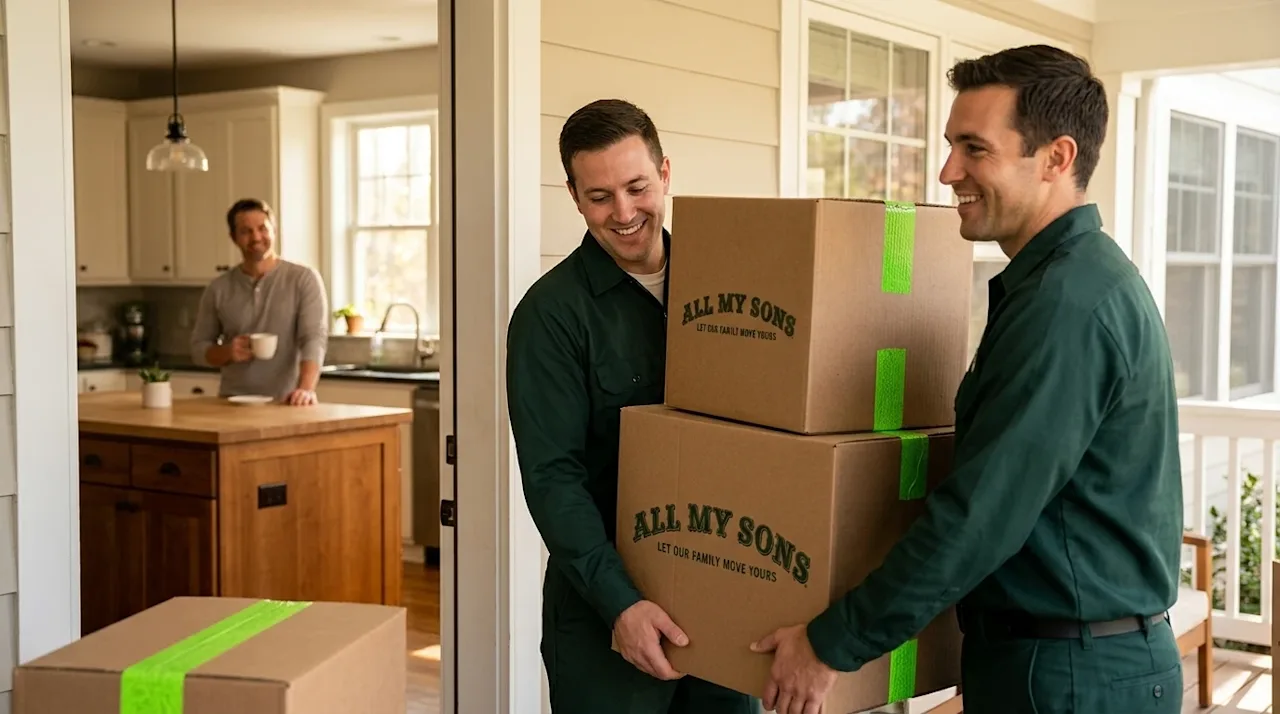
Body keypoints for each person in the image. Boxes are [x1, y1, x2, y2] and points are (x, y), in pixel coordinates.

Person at [750, 45, 1184, 714]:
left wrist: (833, 642)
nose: (949, 170)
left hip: (1072, 677)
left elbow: (980, 517)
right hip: (1057, 662)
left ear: (1056, 159)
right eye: (952, 145)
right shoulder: (1064, 284)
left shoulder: (1066, 308)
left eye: (974, 149)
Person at [506, 99, 757, 714]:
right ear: (573, 195)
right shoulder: (551, 316)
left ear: (665, 174)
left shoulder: (733, 287)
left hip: (724, 595)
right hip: (606, 616)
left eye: (637, 187)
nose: (623, 213)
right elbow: (552, 478)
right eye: (599, 196)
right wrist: (620, 602)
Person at [190, 198, 329, 406]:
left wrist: (305, 390)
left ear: (274, 230)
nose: (256, 237)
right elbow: (198, 349)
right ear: (233, 237)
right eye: (246, 231)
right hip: (232, 403)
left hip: (287, 402)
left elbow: (313, 339)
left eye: (262, 229)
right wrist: (227, 352)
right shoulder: (218, 288)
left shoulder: (303, 279)